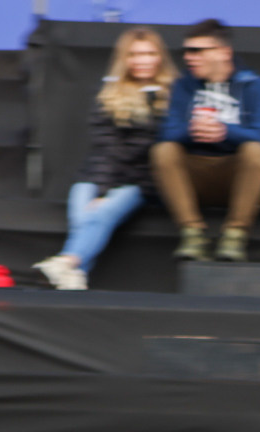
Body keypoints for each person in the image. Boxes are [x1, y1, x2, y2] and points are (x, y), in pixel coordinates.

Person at [35, 27, 170, 292]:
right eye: (134, 54)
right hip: (99, 174)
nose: (142, 60)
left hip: (139, 181)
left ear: (160, 57)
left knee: (101, 213)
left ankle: (65, 262)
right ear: (125, 59)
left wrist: (105, 193)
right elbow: (107, 147)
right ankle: (73, 280)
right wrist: (102, 188)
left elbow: (146, 149)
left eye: (149, 53)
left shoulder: (171, 95)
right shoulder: (108, 92)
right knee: (82, 217)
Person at [152, 19, 260, 265]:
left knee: (257, 151)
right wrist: (191, 130)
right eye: (186, 51)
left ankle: (234, 237)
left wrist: (225, 131)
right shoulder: (182, 85)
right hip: (194, 177)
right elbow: (166, 134)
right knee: (163, 151)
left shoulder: (255, 84)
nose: (188, 57)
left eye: (197, 51)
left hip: (237, 177)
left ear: (224, 52)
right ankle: (193, 235)